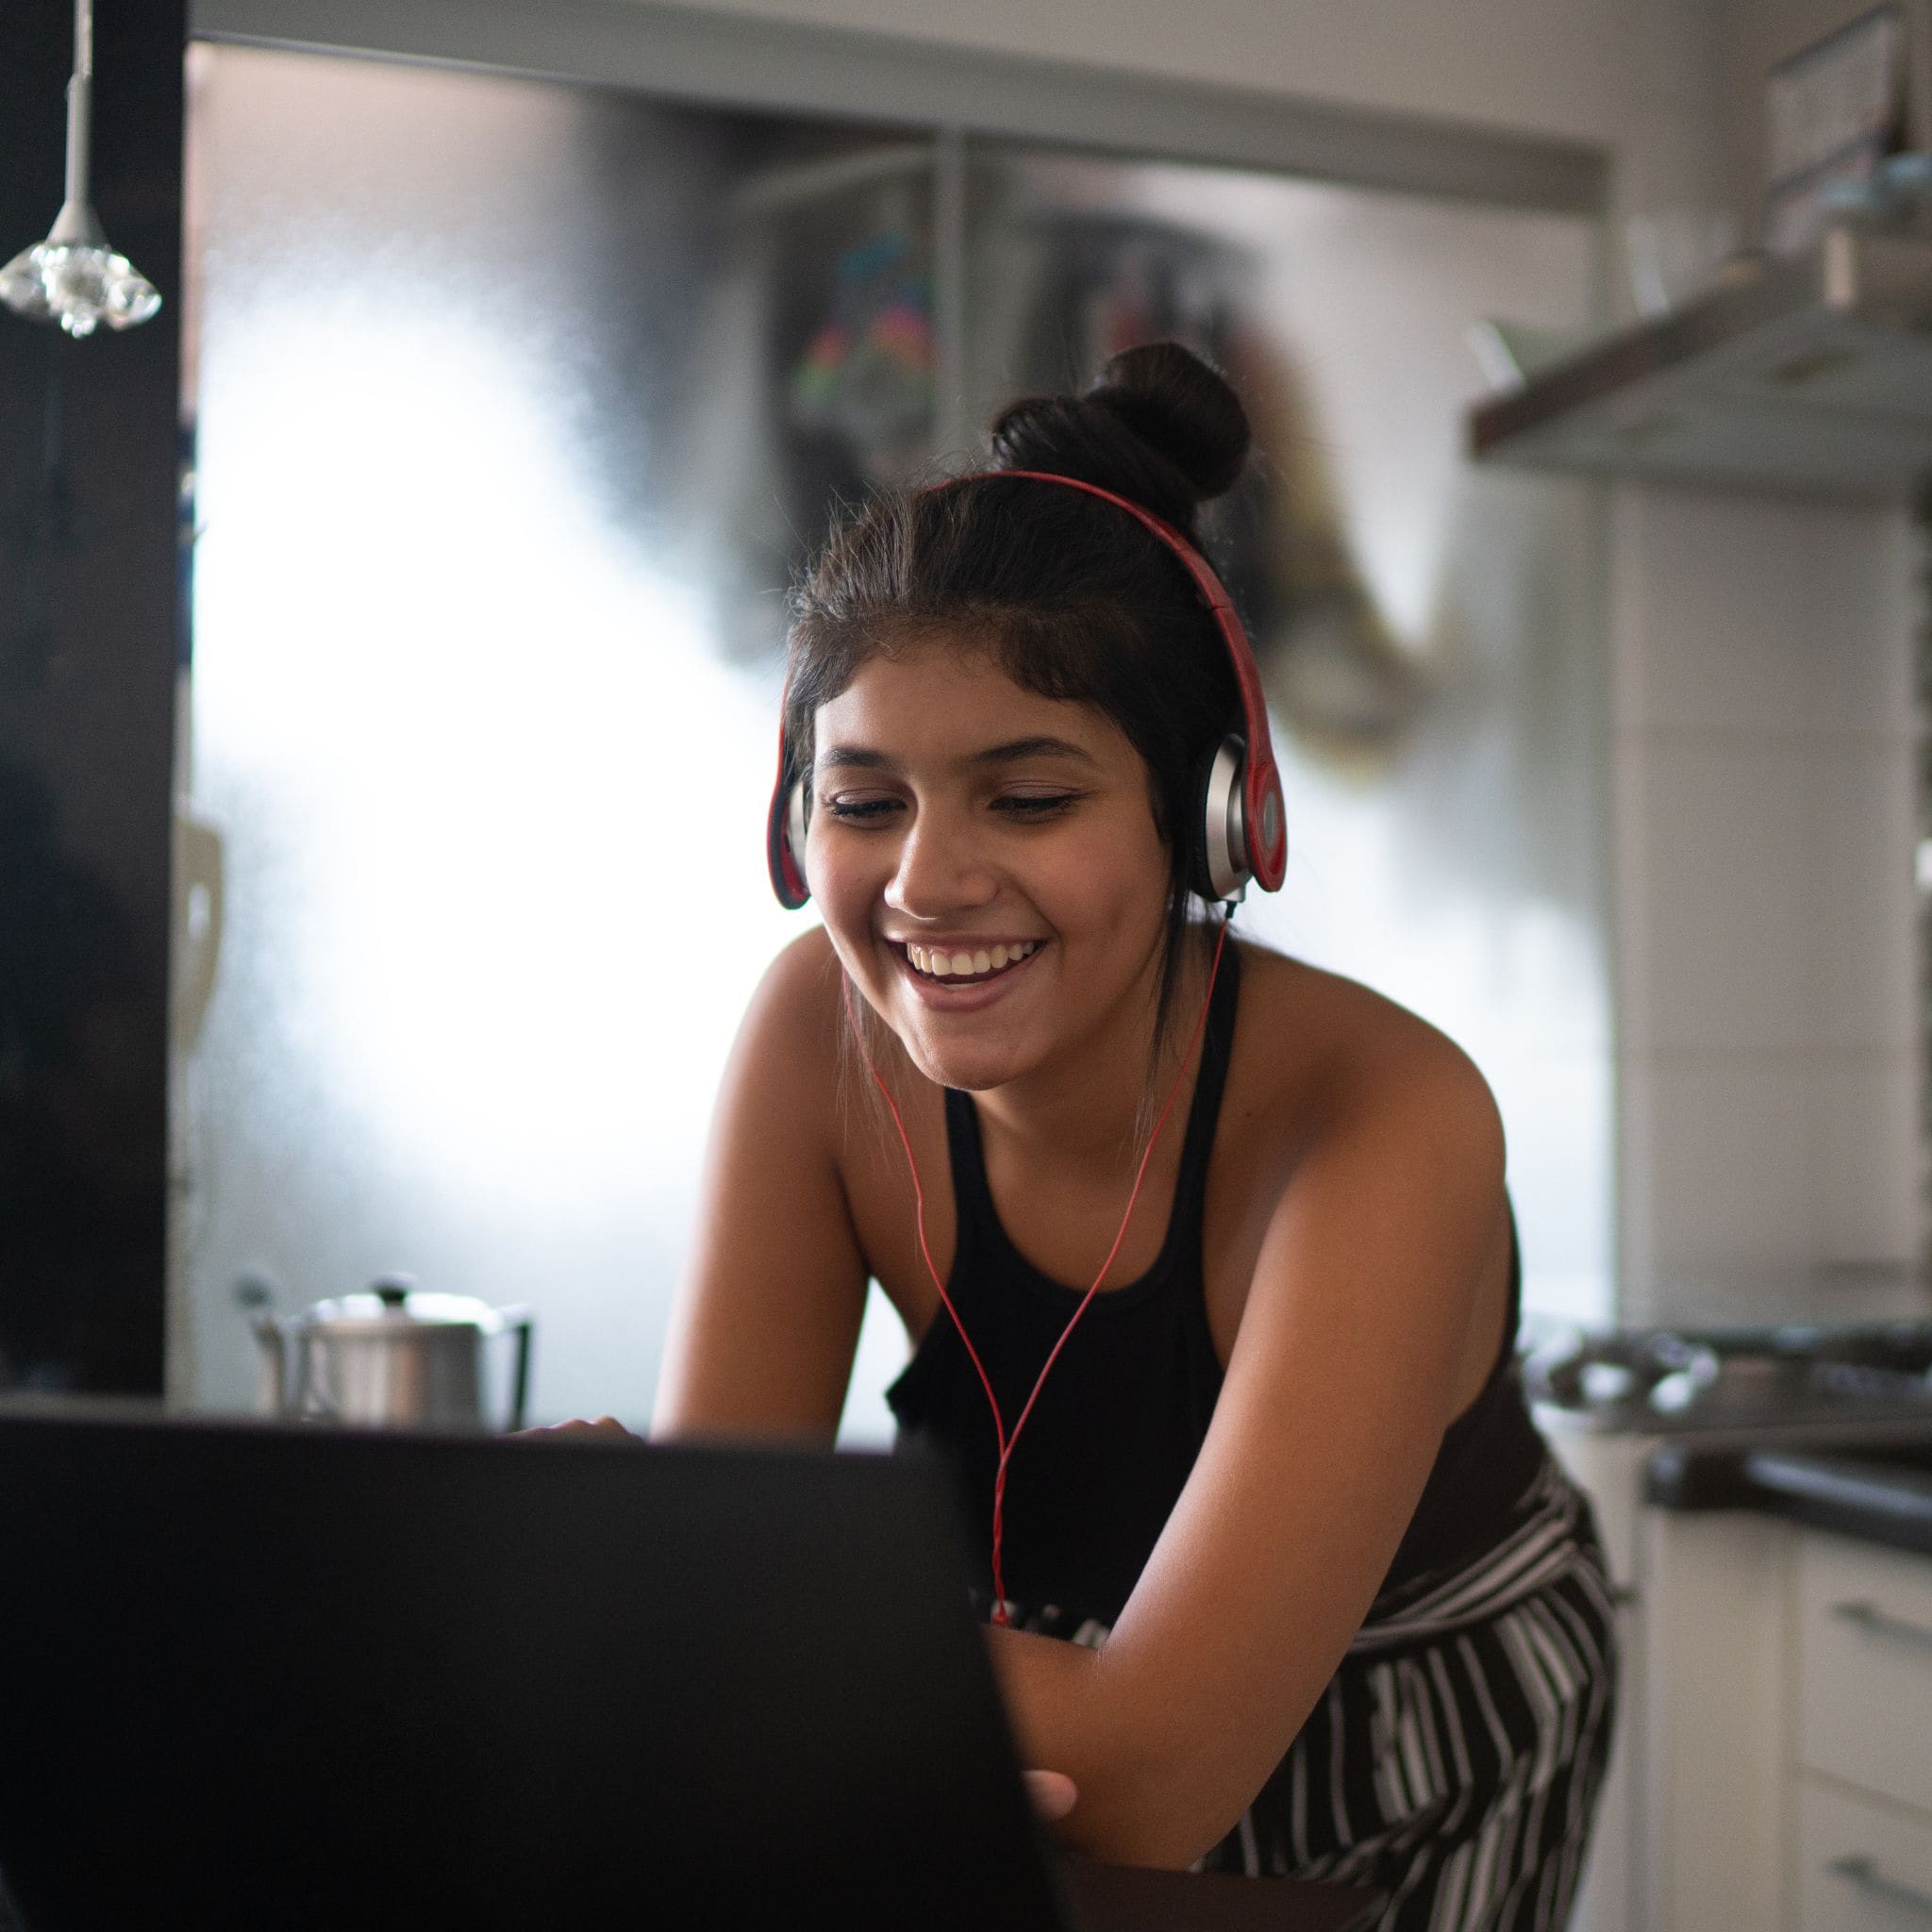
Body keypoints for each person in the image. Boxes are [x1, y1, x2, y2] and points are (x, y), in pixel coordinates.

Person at [553, 341, 1616, 1929]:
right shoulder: (811, 1035)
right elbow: (727, 1571)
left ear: (1210, 822)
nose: (923, 884)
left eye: (1028, 799)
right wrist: (680, 1593)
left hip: (1414, 1719)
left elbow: (1153, 1781)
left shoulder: (1388, 1117)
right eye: (865, 804)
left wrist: (677, 1597)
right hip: (1012, 1678)